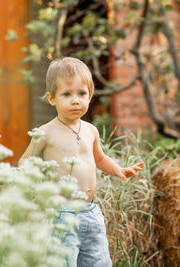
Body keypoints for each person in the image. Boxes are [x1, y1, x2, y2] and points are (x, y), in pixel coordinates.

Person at [18, 57, 144, 267]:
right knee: (64, 262)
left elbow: (100, 158)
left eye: (81, 94)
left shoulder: (90, 130)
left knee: (99, 261)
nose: (75, 100)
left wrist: (119, 170)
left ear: (90, 96)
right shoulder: (45, 132)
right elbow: (25, 160)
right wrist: (37, 183)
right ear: (51, 99)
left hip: (91, 212)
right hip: (62, 214)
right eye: (66, 94)